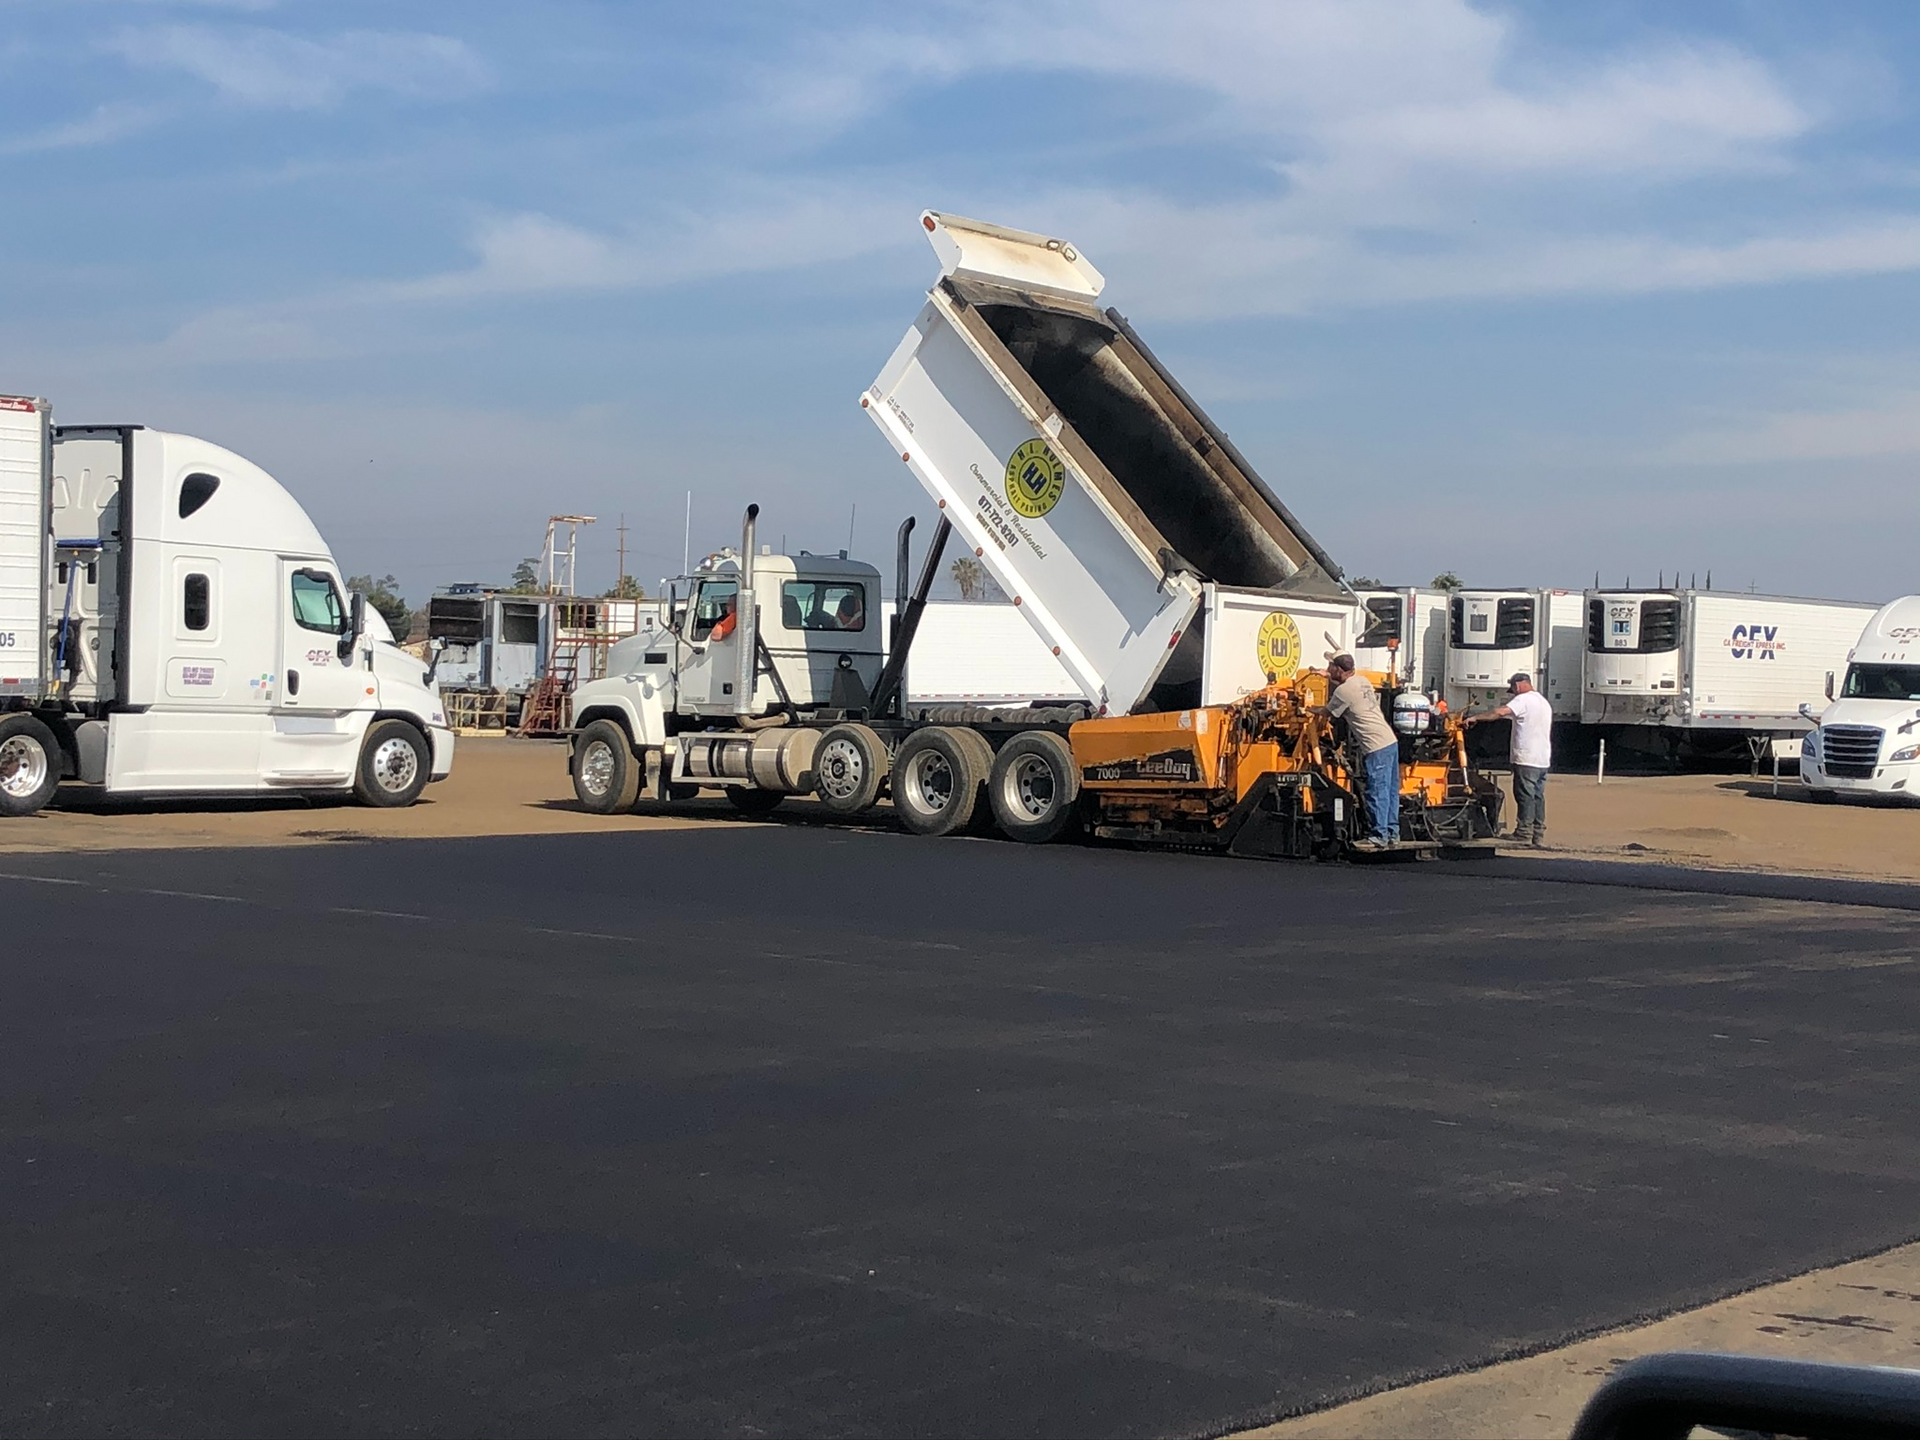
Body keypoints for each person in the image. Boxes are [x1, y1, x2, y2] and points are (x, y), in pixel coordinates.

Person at [1320, 653, 1400, 851]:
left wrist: (1310, 709)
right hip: (1390, 740)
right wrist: (1324, 675)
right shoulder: (1362, 681)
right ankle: (1392, 832)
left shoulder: (1342, 692)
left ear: (1338, 669)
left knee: (1376, 790)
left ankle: (1378, 836)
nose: (1328, 669)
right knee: (1390, 790)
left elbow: (1328, 712)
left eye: (1330, 666)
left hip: (1375, 746)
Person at [1465, 671, 1553, 846]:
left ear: (1518, 685)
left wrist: (1475, 717)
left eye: (1513, 689)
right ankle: (1538, 833)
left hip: (1527, 757)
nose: (1513, 693)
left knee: (1524, 794)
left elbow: (1499, 712)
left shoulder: (1523, 700)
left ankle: (1523, 832)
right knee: (1537, 796)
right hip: (1542, 758)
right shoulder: (1543, 702)